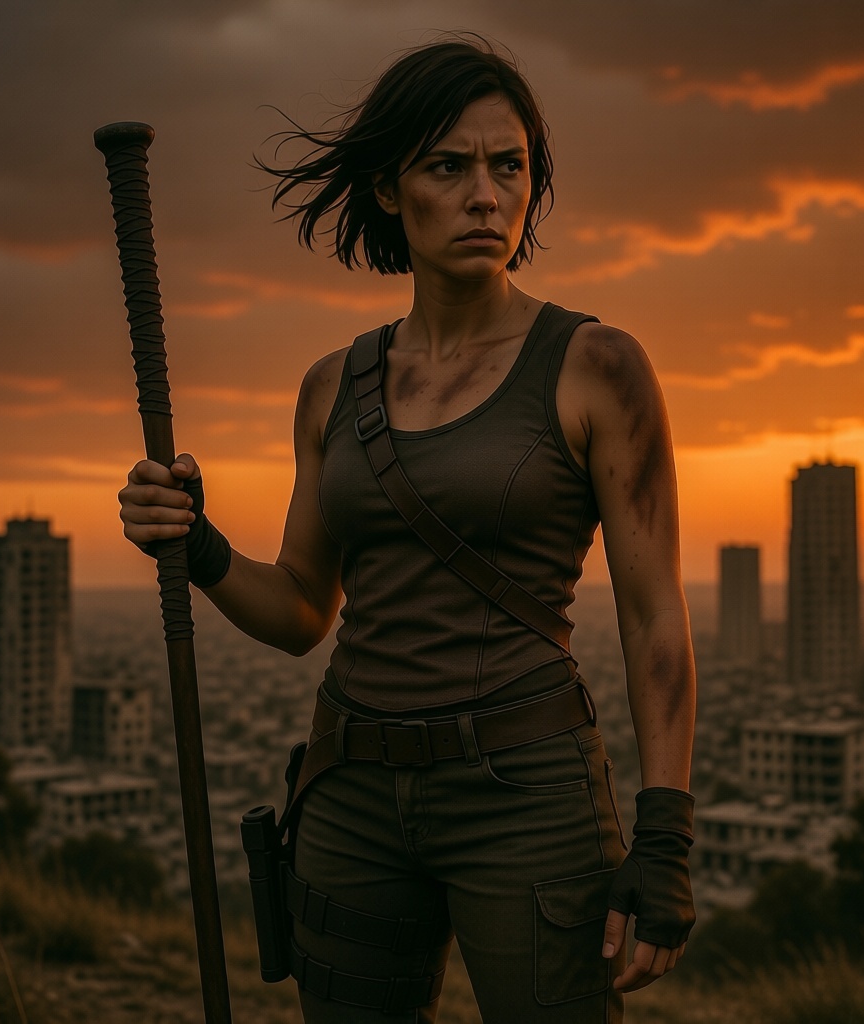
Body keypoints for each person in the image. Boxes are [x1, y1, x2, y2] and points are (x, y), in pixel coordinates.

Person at [118, 35, 696, 1024]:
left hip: (525, 788)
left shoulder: (597, 365)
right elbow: (303, 611)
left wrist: (666, 834)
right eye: (448, 166)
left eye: (508, 166)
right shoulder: (330, 387)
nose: (485, 196)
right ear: (390, 190)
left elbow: (654, 619)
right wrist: (198, 545)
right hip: (350, 792)